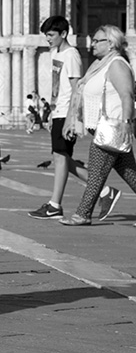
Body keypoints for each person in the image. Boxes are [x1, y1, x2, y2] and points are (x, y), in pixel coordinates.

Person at [29, 17, 121, 221]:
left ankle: (55, 204)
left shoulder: (71, 55)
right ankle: (105, 191)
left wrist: (71, 119)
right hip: (58, 112)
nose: (48, 39)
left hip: (66, 112)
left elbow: (75, 89)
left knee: (61, 157)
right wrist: (52, 113)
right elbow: (57, 88)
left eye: (51, 35)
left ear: (63, 34)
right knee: (61, 158)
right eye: (46, 35)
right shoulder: (57, 53)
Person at [61, 25, 136, 226]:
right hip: (102, 129)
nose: (92, 43)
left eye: (97, 41)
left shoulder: (117, 65)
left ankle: (82, 214)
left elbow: (127, 96)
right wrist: (73, 120)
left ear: (110, 44)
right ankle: (83, 214)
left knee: (95, 174)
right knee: (131, 174)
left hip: (112, 128)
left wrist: (126, 124)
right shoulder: (100, 64)